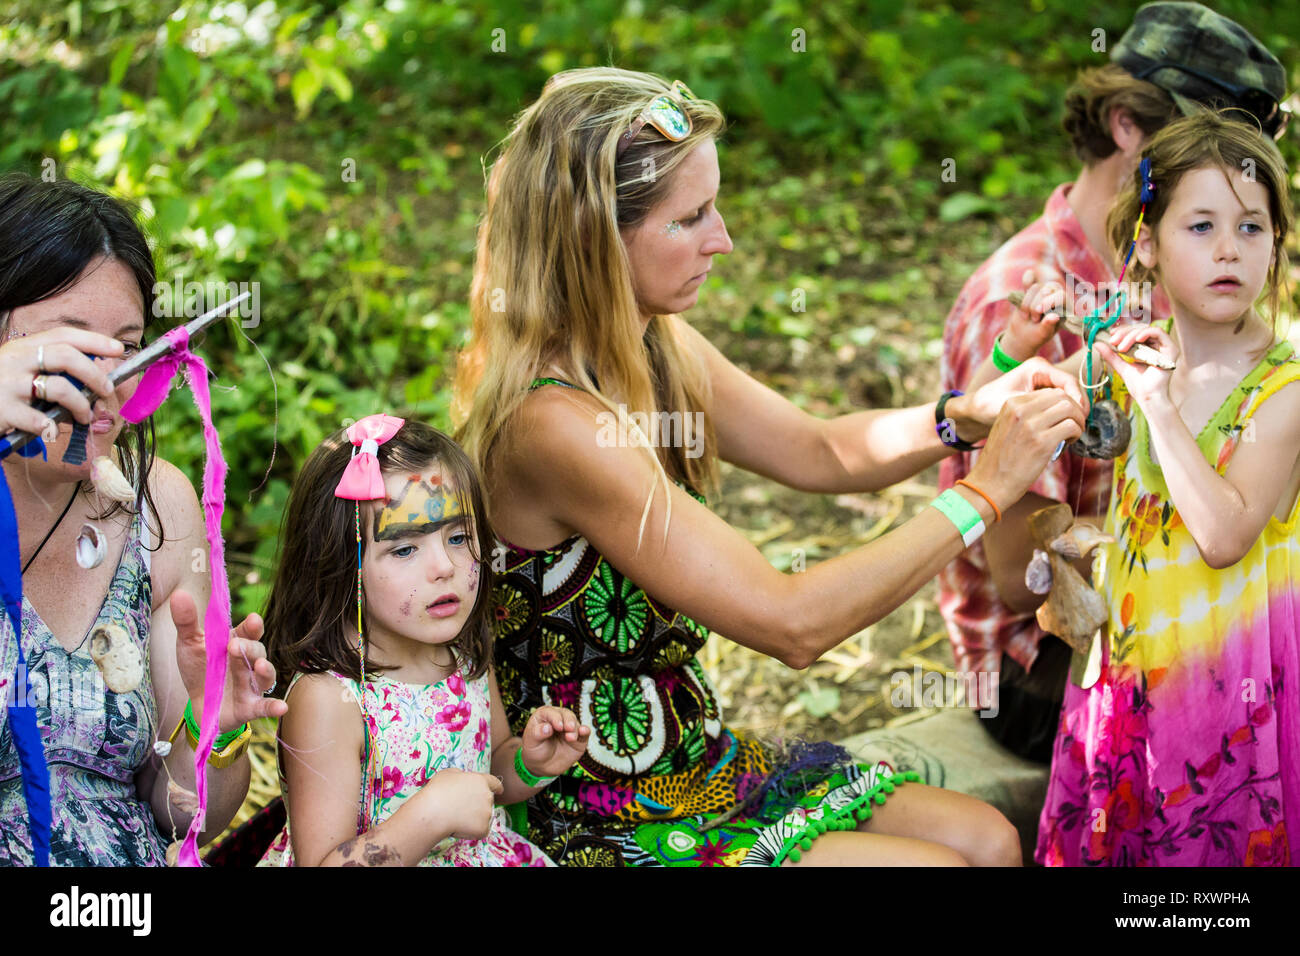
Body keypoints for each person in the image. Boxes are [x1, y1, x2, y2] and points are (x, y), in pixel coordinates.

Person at [451, 67, 1089, 867]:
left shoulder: (650, 344)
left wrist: (961, 413)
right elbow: (791, 624)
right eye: (691, 218)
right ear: (594, 238)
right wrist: (989, 489)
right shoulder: (553, 423)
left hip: (692, 756)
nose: (723, 239)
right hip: (595, 806)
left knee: (990, 841)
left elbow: (821, 450)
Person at [936, 1, 1287, 763]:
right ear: (1127, 125)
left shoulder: (1201, 278)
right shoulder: (1021, 294)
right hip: (1043, 659)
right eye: (1200, 143)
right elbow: (1017, 583)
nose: (1224, 174)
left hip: (1180, 596)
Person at [1028, 110, 1300, 865]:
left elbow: (1222, 536)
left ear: (1277, 242)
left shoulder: (1282, 387)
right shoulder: (1147, 360)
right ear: (1146, 246)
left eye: (1252, 229)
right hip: (1132, 674)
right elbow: (1140, 512)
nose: (1228, 250)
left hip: (1239, 698)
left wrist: (1156, 402)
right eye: (1201, 225)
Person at [0, 174, 283, 865]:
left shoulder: (159, 504)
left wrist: (210, 721)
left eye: (128, 347)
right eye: (70, 346)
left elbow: (183, 813)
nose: (108, 380)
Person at [259, 417, 590, 866]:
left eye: (457, 537)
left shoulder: (463, 653)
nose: (444, 566)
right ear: (340, 565)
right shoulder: (330, 700)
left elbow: (488, 774)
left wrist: (529, 763)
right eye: (404, 549)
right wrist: (429, 817)